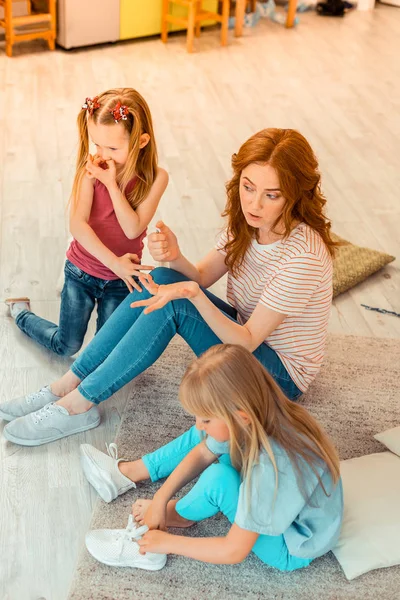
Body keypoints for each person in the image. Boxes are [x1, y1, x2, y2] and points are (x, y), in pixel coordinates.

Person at [1, 128, 336, 444]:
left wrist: (190, 295)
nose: (254, 204)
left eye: (271, 195)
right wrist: (175, 257)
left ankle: (78, 405)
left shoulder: (302, 259)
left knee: (177, 302)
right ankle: (68, 384)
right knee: (160, 279)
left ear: (295, 195)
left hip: (277, 378)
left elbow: (247, 341)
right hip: (244, 335)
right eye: (248, 187)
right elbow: (200, 276)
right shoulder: (251, 223)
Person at [82, 345, 343, 571]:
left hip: (291, 545)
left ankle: (173, 522)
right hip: (282, 497)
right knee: (204, 438)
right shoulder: (258, 414)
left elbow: (234, 551)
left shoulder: (273, 468)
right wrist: (161, 497)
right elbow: (203, 451)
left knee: (218, 477)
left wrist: (170, 543)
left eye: (205, 418)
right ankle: (146, 483)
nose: (198, 424)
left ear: (242, 418)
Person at [4, 88, 168, 357]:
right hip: (81, 272)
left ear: (141, 141)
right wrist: (113, 261)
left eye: (112, 148)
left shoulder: (156, 177)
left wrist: (112, 186)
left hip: (121, 280)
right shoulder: (90, 171)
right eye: (97, 145)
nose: (102, 155)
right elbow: (78, 226)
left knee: (105, 352)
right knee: (66, 346)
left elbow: (132, 228)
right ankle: (20, 311)